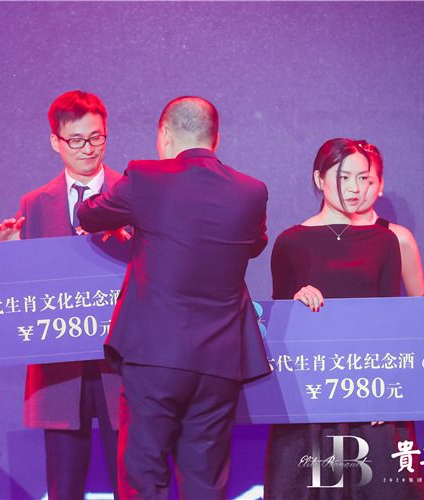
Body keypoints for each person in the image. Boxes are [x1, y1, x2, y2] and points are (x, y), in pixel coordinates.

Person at [78, 96, 271, 498]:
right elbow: (254, 244)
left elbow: (90, 214)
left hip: (154, 356)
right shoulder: (251, 192)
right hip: (219, 361)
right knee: (205, 479)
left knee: (144, 474)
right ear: (216, 138)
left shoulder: (146, 178)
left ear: (164, 135)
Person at [264, 138, 424, 499]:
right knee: (322, 487)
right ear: (319, 179)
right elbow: (278, 331)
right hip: (315, 398)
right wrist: (296, 302)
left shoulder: (384, 241)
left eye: (362, 178)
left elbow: (391, 321)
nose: (354, 188)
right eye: (343, 177)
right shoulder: (290, 242)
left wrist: (389, 387)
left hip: (371, 393)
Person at [0, 90, 122, 498]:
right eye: (77, 140)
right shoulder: (34, 203)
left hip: (121, 361)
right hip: (61, 367)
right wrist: (9, 254)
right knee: (64, 486)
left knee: (133, 483)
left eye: (96, 137)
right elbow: (21, 295)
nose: (88, 148)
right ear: (55, 141)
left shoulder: (132, 194)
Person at [355, 143, 424, 296]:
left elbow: (420, 303)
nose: (358, 189)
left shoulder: (400, 239)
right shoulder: (321, 236)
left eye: (367, 181)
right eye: (348, 179)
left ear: (381, 184)